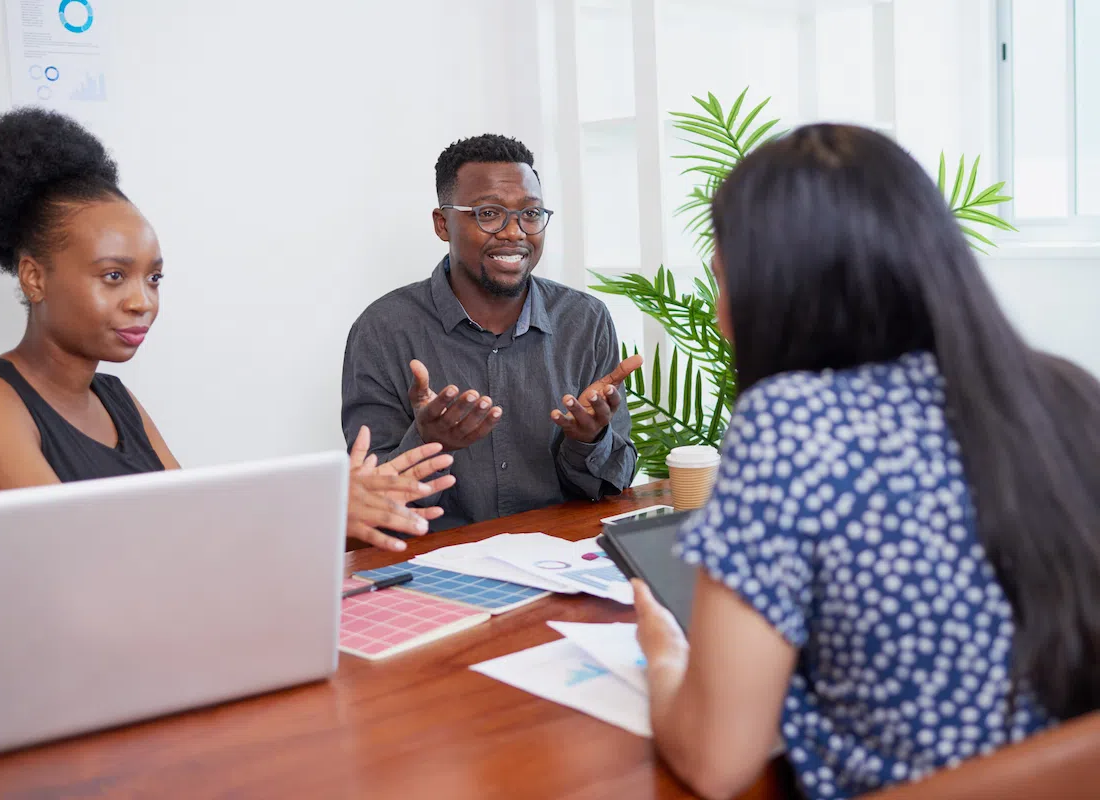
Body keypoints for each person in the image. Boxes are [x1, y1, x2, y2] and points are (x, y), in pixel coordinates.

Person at [632, 124, 1100, 799]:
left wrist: (666, 658)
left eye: (726, 282)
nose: (719, 315)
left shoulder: (792, 424)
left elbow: (717, 761)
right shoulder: (1064, 393)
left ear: (781, 289)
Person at [0, 107, 449, 553]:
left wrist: (338, 505)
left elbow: (191, 529)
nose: (142, 301)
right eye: (113, 276)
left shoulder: (114, 398)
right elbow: (80, 558)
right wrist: (310, 509)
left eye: (153, 278)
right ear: (34, 277)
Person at [341, 134, 640, 529]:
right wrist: (431, 441)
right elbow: (373, 509)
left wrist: (588, 440)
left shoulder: (584, 321)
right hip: (436, 569)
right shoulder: (382, 331)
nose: (515, 232)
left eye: (531, 215)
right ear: (442, 223)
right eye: (488, 213)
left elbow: (613, 484)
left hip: (557, 559)